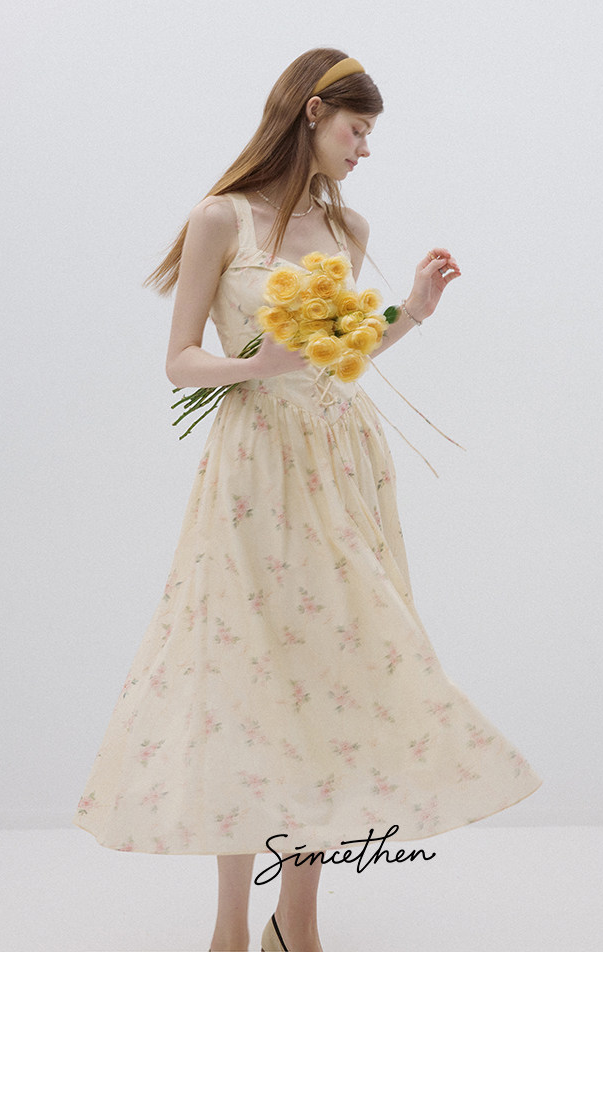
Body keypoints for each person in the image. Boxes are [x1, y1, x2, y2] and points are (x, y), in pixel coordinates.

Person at [73, 48, 543, 952]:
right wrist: (256, 365)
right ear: (313, 113)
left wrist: (411, 310)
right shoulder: (220, 218)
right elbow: (179, 361)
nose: (365, 149)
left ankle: (298, 922)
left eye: (369, 135)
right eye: (357, 130)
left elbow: (340, 357)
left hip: (341, 457)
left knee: (331, 671)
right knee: (242, 673)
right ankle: (229, 927)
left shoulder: (346, 226)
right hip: (256, 466)